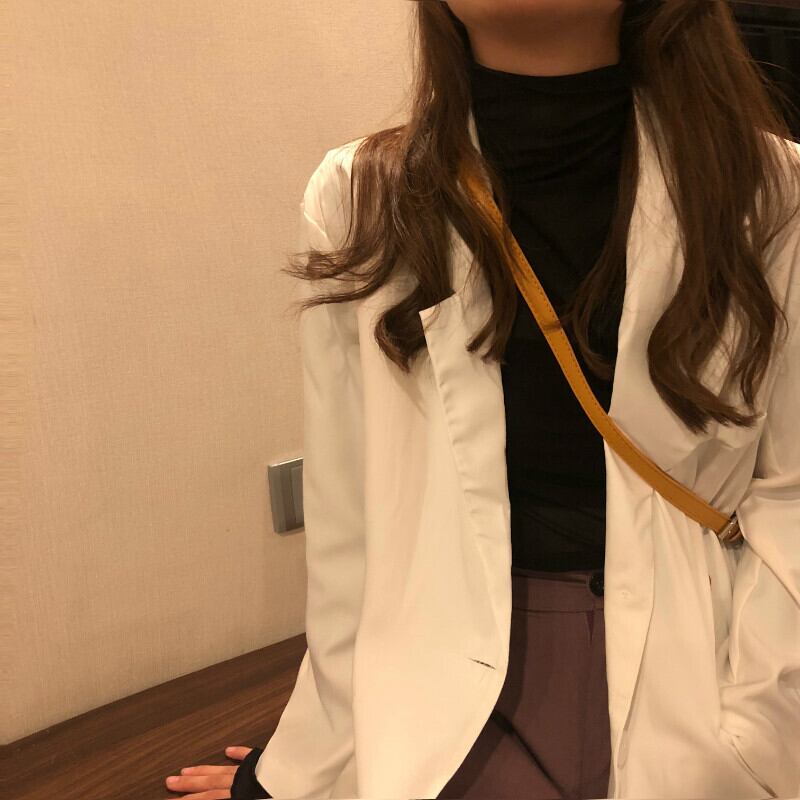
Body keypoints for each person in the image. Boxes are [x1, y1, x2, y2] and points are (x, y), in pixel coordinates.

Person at [166, 1, 800, 798]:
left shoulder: (771, 193)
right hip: (444, 694)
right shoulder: (360, 197)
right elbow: (350, 529)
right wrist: (306, 769)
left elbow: (790, 495)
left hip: (701, 677)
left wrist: (755, 732)